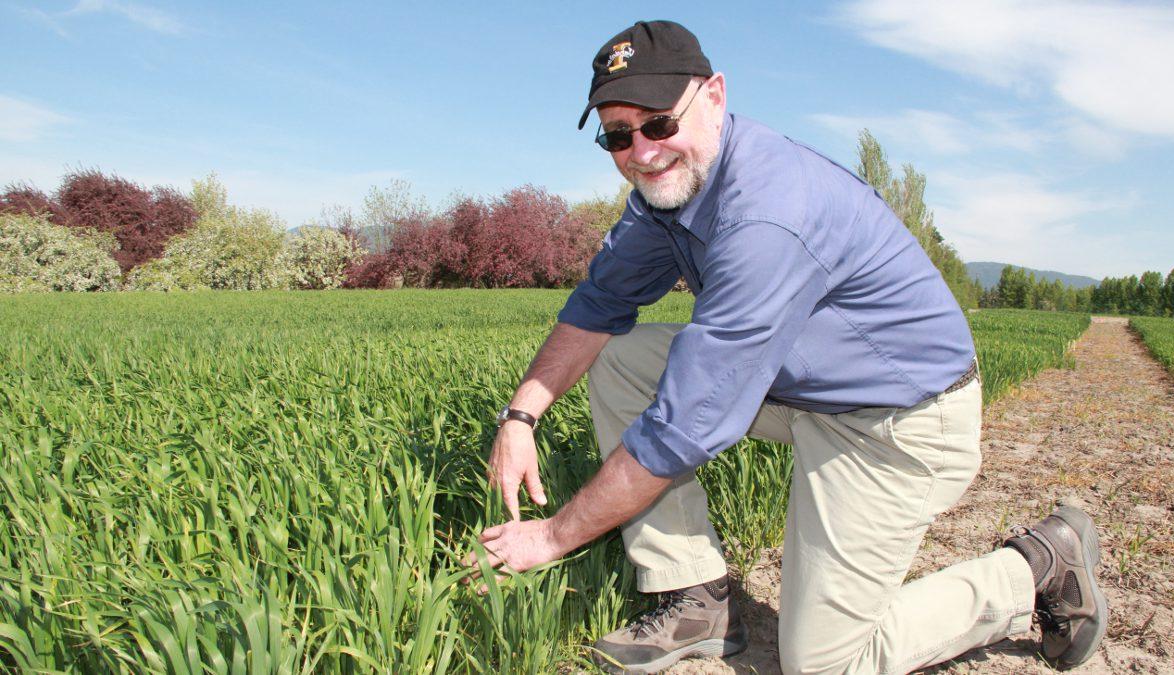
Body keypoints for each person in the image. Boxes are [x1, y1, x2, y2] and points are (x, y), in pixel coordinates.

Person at [469, 20, 1108, 674]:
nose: (641, 151)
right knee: (617, 357)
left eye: (659, 123)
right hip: (800, 389)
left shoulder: (766, 213)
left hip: (901, 421)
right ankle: (697, 600)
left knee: (828, 663)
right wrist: (521, 416)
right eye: (617, 135)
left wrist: (550, 536)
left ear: (714, 97)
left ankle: (1031, 569)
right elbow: (596, 308)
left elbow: (682, 427)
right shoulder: (664, 194)